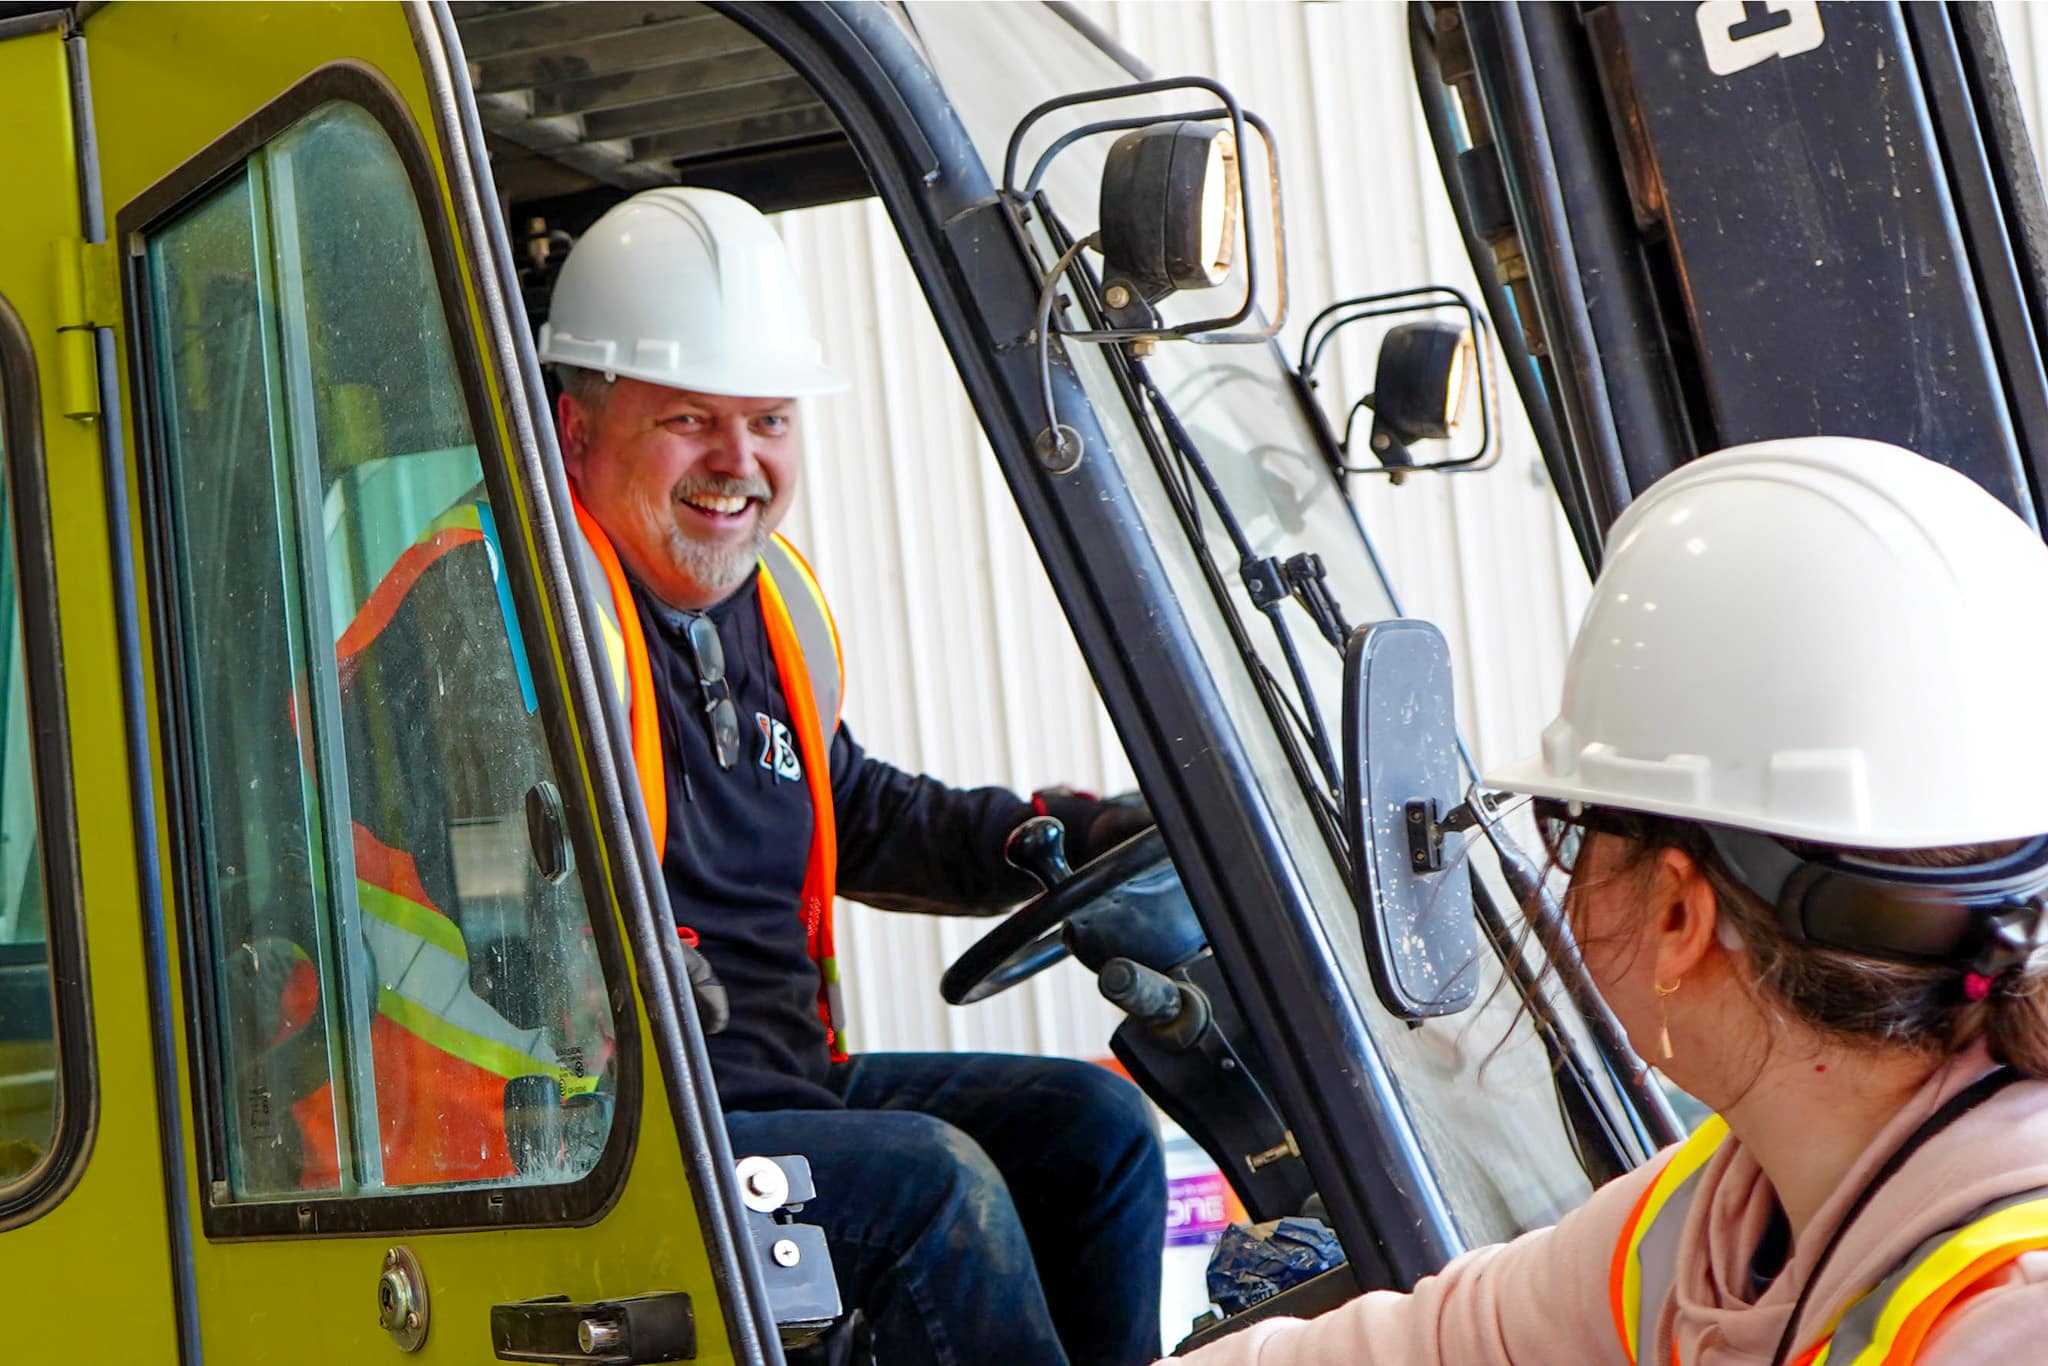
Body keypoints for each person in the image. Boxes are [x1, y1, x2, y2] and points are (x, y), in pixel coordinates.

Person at [1175, 437, 2048, 1365]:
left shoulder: (2010, 1320)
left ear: (1679, 914)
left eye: (1568, 825)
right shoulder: (1726, 1220)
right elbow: (1427, 1346)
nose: (1561, 868)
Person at [536, 186, 1165, 1365]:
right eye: (688, 419)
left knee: (1094, 1129)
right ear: (578, 432)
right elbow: (465, 894)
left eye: (768, 419)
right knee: (932, 1186)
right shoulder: (507, 616)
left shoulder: (763, 611)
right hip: (594, 1145)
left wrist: (1078, 832)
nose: (737, 462)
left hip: (774, 1093)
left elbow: (858, 811)